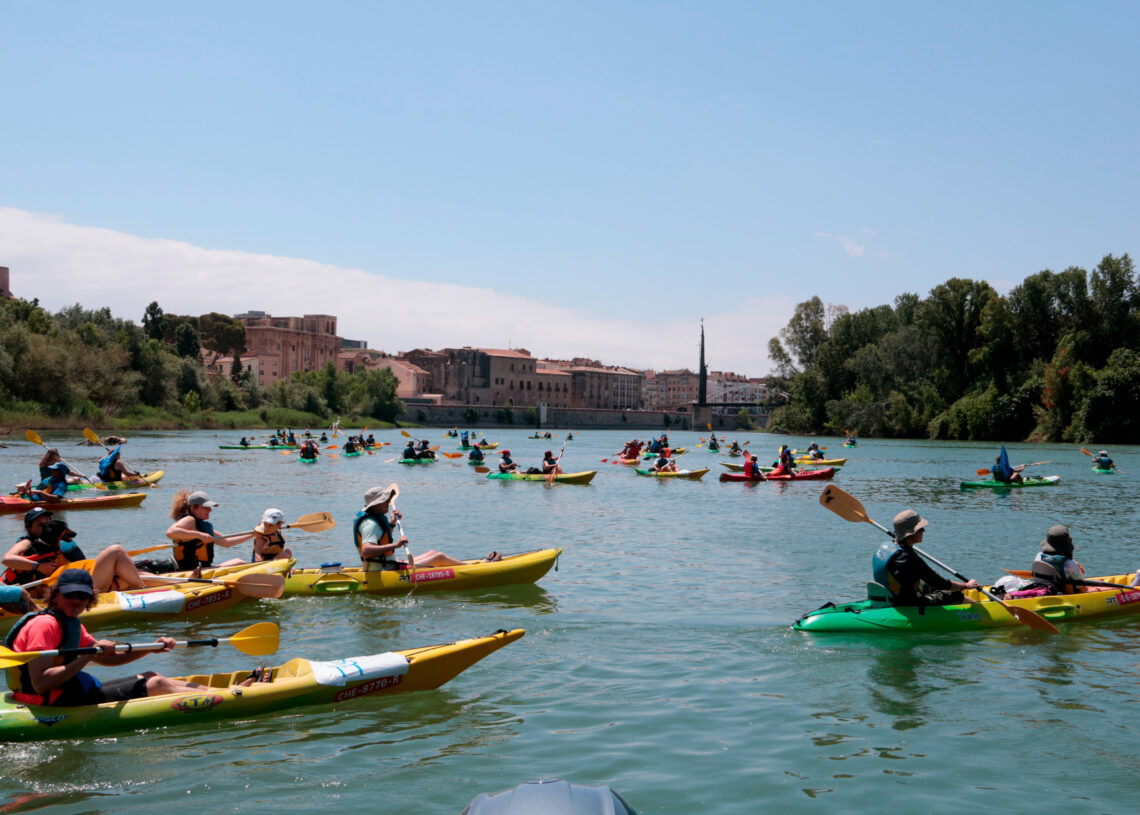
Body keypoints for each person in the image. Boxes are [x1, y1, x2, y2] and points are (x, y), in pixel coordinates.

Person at [3, 569, 204, 707]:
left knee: (151, 676)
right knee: (157, 685)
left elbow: (107, 658)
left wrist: (150, 648)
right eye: (69, 595)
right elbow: (41, 683)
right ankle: (231, 698)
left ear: (90, 600)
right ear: (55, 596)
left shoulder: (70, 622)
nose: (76, 601)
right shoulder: (44, 624)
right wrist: (87, 655)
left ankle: (227, 691)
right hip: (48, 701)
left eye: (82, 597)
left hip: (69, 691)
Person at [3, 508, 150, 592]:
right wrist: (38, 566)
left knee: (131, 574)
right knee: (115, 552)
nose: (45, 527)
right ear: (29, 528)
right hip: (69, 592)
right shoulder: (27, 543)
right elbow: (7, 559)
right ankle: (144, 592)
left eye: (48, 523)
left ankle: (159, 586)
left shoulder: (61, 544)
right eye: (40, 524)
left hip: (76, 585)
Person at [353, 484, 496, 570]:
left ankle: (471, 566)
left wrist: (392, 523)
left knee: (434, 553)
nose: (389, 503)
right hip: (386, 570)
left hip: (387, 564)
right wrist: (397, 545)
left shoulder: (376, 518)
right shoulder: (370, 524)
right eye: (386, 501)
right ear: (377, 504)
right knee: (438, 557)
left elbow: (380, 539)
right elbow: (367, 550)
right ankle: (474, 569)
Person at [871, 510, 980, 606]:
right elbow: (940, 583)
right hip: (907, 603)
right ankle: (980, 612)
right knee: (955, 594)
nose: (924, 531)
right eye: (920, 528)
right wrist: (966, 585)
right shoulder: (909, 559)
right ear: (910, 533)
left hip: (888, 597)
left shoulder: (885, 547)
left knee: (926, 584)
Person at [165, 491, 253, 572]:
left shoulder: (204, 527)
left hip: (205, 568)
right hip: (189, 571)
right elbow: (170, 532)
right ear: (193, 508)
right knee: (240, 563)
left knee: (240, 562)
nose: (210, 510)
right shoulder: (190, 520)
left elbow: (227, 542)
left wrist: (253, 534)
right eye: (205, 507)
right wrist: (199, 535)